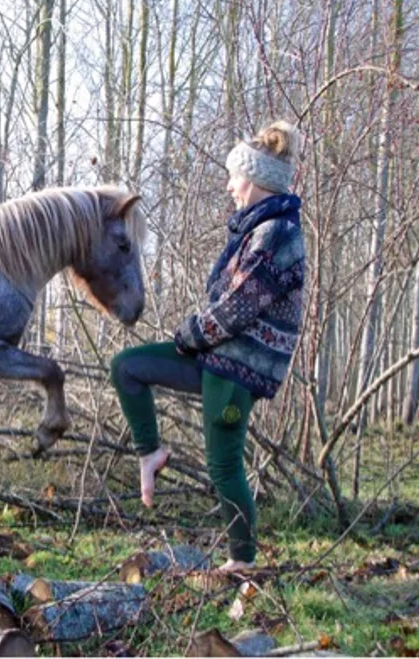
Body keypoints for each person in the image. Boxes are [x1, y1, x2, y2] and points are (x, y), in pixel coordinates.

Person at [110, 120, 306, 572]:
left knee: (224, 468)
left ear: (255, 180)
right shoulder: (257, 230)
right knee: (128, 368)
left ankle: (243, 563)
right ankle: (150, 453)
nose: (229, 185)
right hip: (215, 358)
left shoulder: (276, 234)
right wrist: (195, 340)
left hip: (238, 370)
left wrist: (189, 334)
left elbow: (239, 305)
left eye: (234, 176)